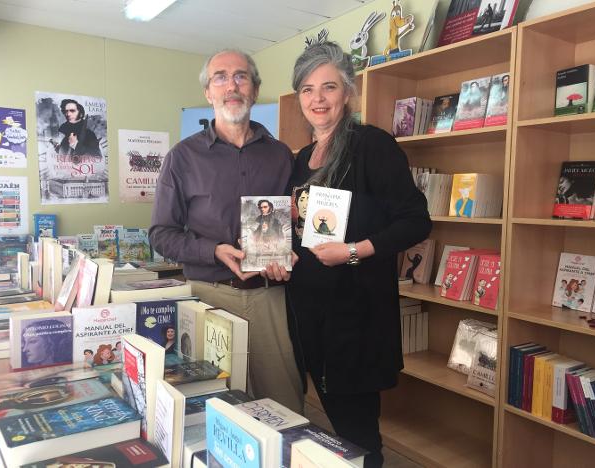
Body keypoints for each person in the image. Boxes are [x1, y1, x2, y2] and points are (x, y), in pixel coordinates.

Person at [267, 41, 431, 467]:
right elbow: (302, 228)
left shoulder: (372, 146)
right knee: (328, 430)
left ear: (349, 93)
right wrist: (277, 247)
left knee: (357, 436)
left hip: (354, 319)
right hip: (307, 315)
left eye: (328, 87)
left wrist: (353, 252)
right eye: (307, 89)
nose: (317, 99)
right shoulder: (301, 158)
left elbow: (416, 221)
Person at [149, 49, 303, 413]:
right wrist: (213, 250)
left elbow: (289, 221)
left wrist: (288, 250)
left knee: (284, 403)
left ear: (254, 88)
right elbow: (160, 233)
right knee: (210, 403)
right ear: (208, 92)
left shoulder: (281, 155)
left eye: (241, 76)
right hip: (208, 295)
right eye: (220, 77)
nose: (231, 85)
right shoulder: (182, 157)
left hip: (269, 296)